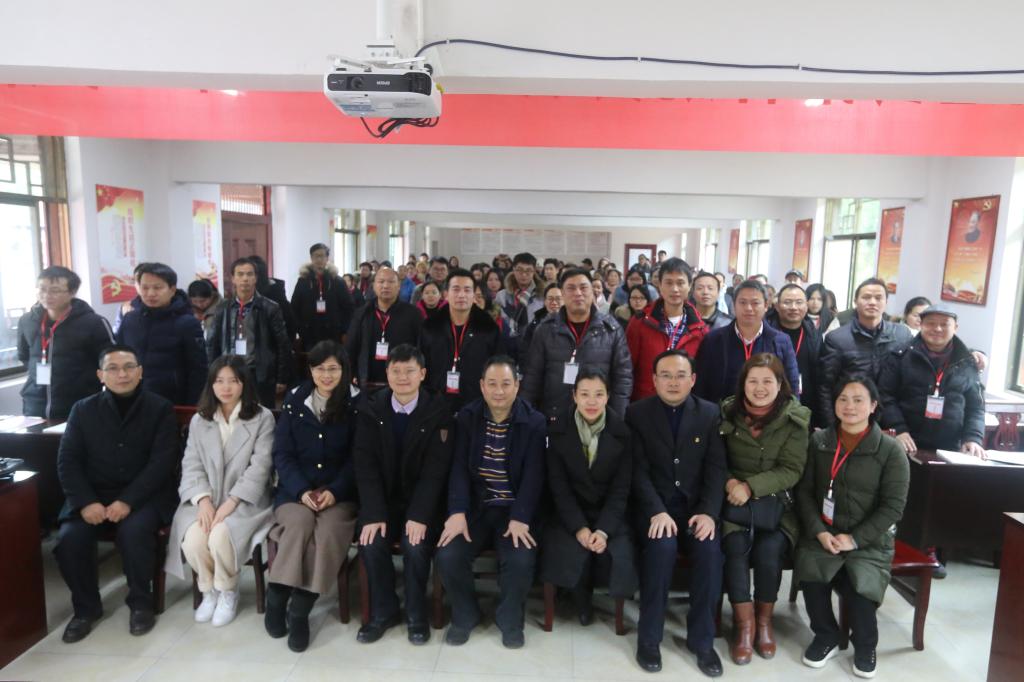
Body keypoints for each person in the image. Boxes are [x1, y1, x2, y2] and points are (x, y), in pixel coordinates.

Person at [55, 345, 179, 642]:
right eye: (113, 368)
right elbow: (67, 461)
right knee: (70, 539)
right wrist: (86, 502)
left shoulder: (160, 408)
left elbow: (162, 463)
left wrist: (127, 501)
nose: (122, 374)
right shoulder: (82, 409)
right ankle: (85, 609)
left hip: (144, 495)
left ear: (140, 371)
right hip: (92, 495)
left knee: (134, 533)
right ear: (101, 375)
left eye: (128, 367)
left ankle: (140, 603)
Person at [795, 375, 909, 679]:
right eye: (843, 399)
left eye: (859, 400)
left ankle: (865, 646)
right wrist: (819, 531)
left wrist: (855, 539)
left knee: (860, 590)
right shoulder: (819, 442)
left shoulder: (891, 450)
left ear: (873, 406)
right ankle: (827, 636)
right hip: (823, 533)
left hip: (869, 540)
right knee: (813, 578)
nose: (850, 406)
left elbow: (893, 507)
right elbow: (804, 493)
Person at [435, 356, 547, 648]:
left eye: (506, 384)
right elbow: (459, 468)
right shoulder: (467, 417)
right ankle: (465, 614)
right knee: (448, 554)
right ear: (482, 386)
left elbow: (534, 476)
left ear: (517, 386)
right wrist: (457, 511)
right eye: (493, 384)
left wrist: (521, 516)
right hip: (477, 507)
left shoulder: (534, 422)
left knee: (520, 559)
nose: (499, 391)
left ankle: (510, 619)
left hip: (513, 509)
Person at [627, 349, 726, 677]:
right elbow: (636, 471)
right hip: (656, 509)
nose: (673, 382)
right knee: (661, 549)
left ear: (693, 379)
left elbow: (716, 470)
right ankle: (649, 639)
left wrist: (709, 513)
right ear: (654, 380)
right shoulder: (637, 413)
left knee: (710, 553)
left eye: (681, 375)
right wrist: (656, 510)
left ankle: (702, 642)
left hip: (697, 510)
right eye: (666, 376)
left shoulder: (709, 414)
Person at [353, 344, 454, 644]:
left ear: (422, 374)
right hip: (382, 502)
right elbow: (364, 465)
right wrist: (373, 513)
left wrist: (420, 514)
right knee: (370, 541)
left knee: (415, 544)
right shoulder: (370, 408)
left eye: (410, 371)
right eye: (396, 371)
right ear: (387, 374)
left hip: (423, 503)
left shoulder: (439, 411)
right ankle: (384, 610)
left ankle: (416, 612)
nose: (403, 377)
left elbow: (436, 471)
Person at [165, 355, 276, 627]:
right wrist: (203, 501)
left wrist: (230, 503)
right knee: (194, 538)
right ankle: (209, 591)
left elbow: (260, 467)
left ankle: (228, 590)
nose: (226, 387)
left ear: (244, 384)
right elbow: (191, 463)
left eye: (233, 381)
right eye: (219, 381)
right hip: (205, 497)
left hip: (246, 500)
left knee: (220, 536)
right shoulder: (200, 420)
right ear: (211, 385)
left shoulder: (262, 418)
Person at [264, 341, 358, 652]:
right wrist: (301, 490)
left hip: (340, 494)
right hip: (295, 492)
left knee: (327, 532)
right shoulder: (295, 400)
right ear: (311, 370)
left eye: (333, 368)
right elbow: (282, 454)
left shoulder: (357, 403)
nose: (326, 375)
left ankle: (300, 609)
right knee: (299, 523)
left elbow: (359, 458)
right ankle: (278, 595)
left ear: (344, 370)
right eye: (320, 368)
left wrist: (335, 490)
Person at [719, 354, 810, 665]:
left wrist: (750, 486)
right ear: (743, 383)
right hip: (734, 504)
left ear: (780, 384)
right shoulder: (726, 412)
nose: (760, 388)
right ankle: (744, 625)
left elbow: (792, 469)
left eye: (767, 381)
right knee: (735, 547)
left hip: (777, 504)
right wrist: (730, 482)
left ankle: (764, 622)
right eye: (753, 380)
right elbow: (714, 459)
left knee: (769, 552)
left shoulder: (795, 418)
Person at [541, 367, 637, 625]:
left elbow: (621, 490)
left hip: (608, 512)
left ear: (608, 396)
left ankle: (608, 604)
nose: (591, 402)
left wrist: (603, 530)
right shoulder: (557, 430)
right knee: (565, 545)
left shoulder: (623, 432)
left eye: (598, 394)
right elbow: (558, 488)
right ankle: (578, 598)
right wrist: (579, 527)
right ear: (574, 396)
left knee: (620, 551)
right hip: (570, 512)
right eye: (584, 394)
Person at [521, 268, 633, 418]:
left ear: (592, 292)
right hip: (555, 416)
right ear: (562, 293)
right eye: (571, 288)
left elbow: (623, 377)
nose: (578, 293)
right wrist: (526, 416)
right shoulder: (546, 330)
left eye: (583, 287)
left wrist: (617, 417)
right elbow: (532, 377)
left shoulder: (611, 329)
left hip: (598, 417)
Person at [879, 304, 986, 458]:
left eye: (944, 324)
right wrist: (899, 429)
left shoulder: (968, 362)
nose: (937, 329)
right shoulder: (900, 356)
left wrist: (973, 437)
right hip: (905, 444)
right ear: (921, 325)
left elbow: (976, 407)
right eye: (931, 323)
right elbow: (885, 396)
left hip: (950, 449)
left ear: (955, 328)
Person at [17, 265, 114, 421]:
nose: (47, 295)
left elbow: (110, 362)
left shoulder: (93, 323)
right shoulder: (27, 321)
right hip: (35, 404)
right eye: (42, 289)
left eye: (55, 290)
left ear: (72, 292)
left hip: (79, 404)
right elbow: (24, 355)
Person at [817, 278, 913, 426]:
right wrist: (831, 427)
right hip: (850, 417)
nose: (872, 302)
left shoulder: (902, 335)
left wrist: (901, 426)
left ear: (886, 302)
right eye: (866, 297)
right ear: (856, 301)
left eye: (878, 298)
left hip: (891, 419)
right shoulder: (837, 339)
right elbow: (825, 387)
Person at [694, 280, 800, 406]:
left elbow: (792, 385)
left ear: (766, 305)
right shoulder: (713, 339)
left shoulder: (781, 341)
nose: (749, 308)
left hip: (770, 415)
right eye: (743, 302)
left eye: (755, 303)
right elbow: (701, 384)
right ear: (734, 305)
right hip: (723, 414)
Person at [116, 262, 208, 405]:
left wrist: (192, 406)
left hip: (171, 401)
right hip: (132, 397)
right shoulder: (130, 319)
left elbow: (198, 370)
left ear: (172, 289)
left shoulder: (187, 323)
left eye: (157, 288)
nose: (150, 293)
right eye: (145, 288)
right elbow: (118, 357)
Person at [207, 258, 293, 408]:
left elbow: (282, 344)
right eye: (240, 274)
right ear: (233, 278)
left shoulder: (270, 307)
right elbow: (212, 344)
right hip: (229, 371)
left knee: (260, 413)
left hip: (259, 373)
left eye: (249, 274)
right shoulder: (222, 308)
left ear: (256, 278)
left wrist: (281, 377)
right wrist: (212, 373)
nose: (245, 279)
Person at [420, 268, 505, 414]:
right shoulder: (430, 326)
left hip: (477, 405)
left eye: (467, 290)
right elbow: (421, 365)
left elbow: (498, 366)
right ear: (446, 294)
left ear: (473, 295)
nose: (461, 295)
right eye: (456, 289)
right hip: (436, 404)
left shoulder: (488, 327)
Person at [627, 258, 708, 401]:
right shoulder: (640, 322)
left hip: (684, 404)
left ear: (690, 286)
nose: (674, 289)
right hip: (645, 403)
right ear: (659, 285)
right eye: (669, 283)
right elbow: (627, 369)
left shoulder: (700, 330)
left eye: (680, 283)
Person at [346, 266, 422, 390]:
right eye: (381, 282)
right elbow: (351, 347)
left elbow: (420, 348)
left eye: (391, 282)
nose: (385, 286)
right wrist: (352, 374)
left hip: (402, 382)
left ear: (399, 286)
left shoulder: (413, 314)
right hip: (368, 382)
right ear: (374, 286)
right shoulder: (362, 313)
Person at [766, 283, 824, 426]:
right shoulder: (767, 333)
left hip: (806, 402)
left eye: (799, 302)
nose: (793, 307)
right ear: (777, 306)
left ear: (806, 306)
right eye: (787, 302)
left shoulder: (814, 334)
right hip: (771, 401)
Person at [290, 242, 355, 352]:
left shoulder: (337, 281)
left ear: (327, 258)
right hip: (309, 335)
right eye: (316, 256)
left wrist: (344, 330)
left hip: (334, 334)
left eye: (322, 256)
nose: (319, 259)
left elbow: (349, 308)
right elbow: (294, 307)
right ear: (311, 258)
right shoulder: (303, 281)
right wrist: (300, 329)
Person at [494, 252, 545, 337]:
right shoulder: (502, 296)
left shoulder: (542, 296)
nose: (524, 274)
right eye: (520, 270)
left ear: (534, 271)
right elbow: (496, 321)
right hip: (507, 340)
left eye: (528, 270)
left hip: (534, 340)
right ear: (513, 270)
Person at [249, 255, 298, 344]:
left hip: (272, 347)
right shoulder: (244, 295)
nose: (245, 278)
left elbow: (289, 324)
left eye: (249, 274)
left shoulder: (276, 297)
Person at [520, 283, 562, 361]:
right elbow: (525, 351)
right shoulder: (535, 323)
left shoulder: (573, 321)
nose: (554, 302)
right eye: (550, 299)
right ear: (545, 301)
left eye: (558, 298)